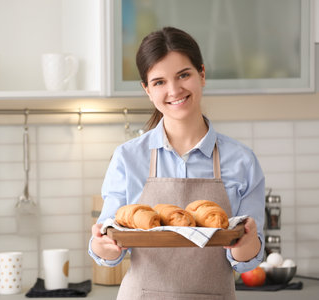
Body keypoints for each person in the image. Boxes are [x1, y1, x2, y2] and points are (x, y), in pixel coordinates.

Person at [88, 26, 265, 299]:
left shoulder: (242, 161)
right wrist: (102, 246)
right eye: (159, 82)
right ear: (147, 90)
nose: (174, 90)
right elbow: (107, 246)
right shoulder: (128, 158)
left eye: (184, 75)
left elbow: (246, 261)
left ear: (202, 74)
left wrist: (248, 243)